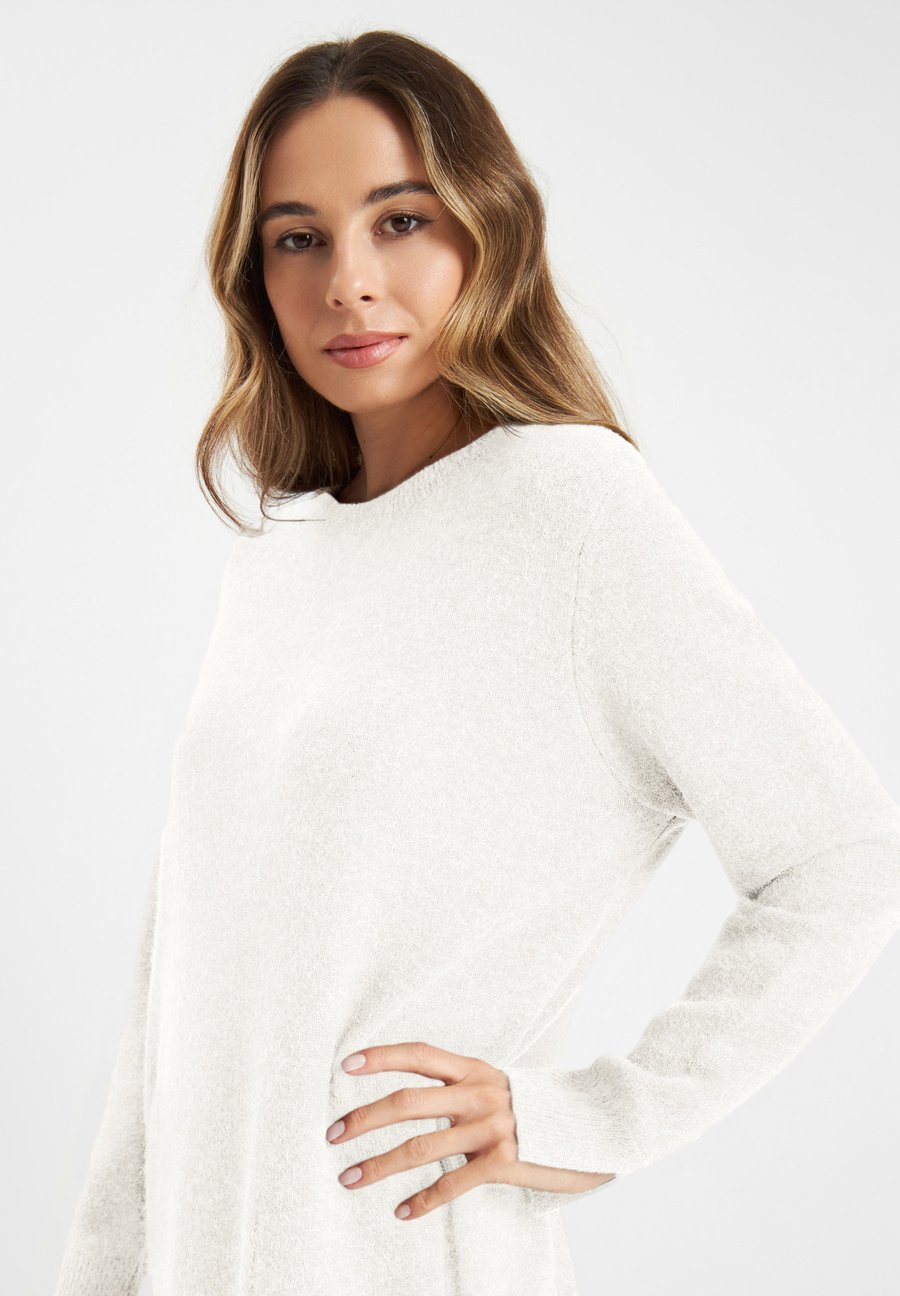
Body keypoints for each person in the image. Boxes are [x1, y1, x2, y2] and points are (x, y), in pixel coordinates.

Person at [52, 28, 900, 1296]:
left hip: (404, 1254)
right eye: (298, 238)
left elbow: (840, 856)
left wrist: (592, 1118)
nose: (348, 282)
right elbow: (169, 1013)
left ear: (485, 229)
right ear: (254, 274)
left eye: (400, 221)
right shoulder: (282, 557)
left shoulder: (573, 510)